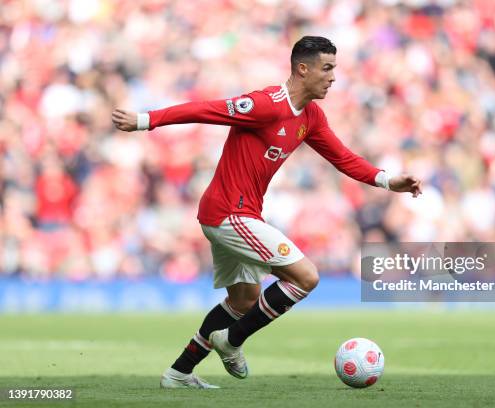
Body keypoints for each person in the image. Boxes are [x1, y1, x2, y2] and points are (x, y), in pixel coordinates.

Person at [112, 36, 422, 388]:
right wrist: (144, 120)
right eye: (327, 68)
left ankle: (179, 372)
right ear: (302, 69)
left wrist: (387, 180)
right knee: (305, 277)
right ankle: (232, 341)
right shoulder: (266, 104)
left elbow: (343, 157)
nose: (334, 76)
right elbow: (206, 109)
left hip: (238, 215)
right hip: (229, 214)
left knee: (244, 300)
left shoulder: (311, 116)